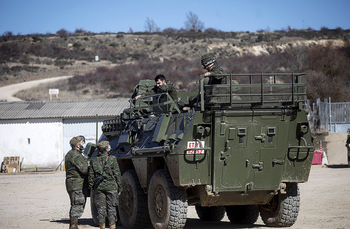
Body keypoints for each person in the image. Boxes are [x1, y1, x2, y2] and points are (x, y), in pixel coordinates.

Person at [88, 141, 122, 229]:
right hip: (112, 187)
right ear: (106, 149)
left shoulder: (94, 160)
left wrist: (92, 187)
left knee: (101, 209)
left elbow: (91, 175)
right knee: (112, 208)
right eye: (108, 146)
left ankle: (102, 227)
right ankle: (112, 226)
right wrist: (120, 187)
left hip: (99, 188)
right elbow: (117, 174)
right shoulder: (112, 159)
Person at [65, 136, 89, 229]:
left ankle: (73, 224)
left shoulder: (70, 154)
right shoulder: (75, 155)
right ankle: (73, 226)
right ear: (77, 145)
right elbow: (84, 169)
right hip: (77, 184)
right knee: (77, 205)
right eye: (82, 142)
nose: (83, 144)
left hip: (73, 184)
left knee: (76, 205)